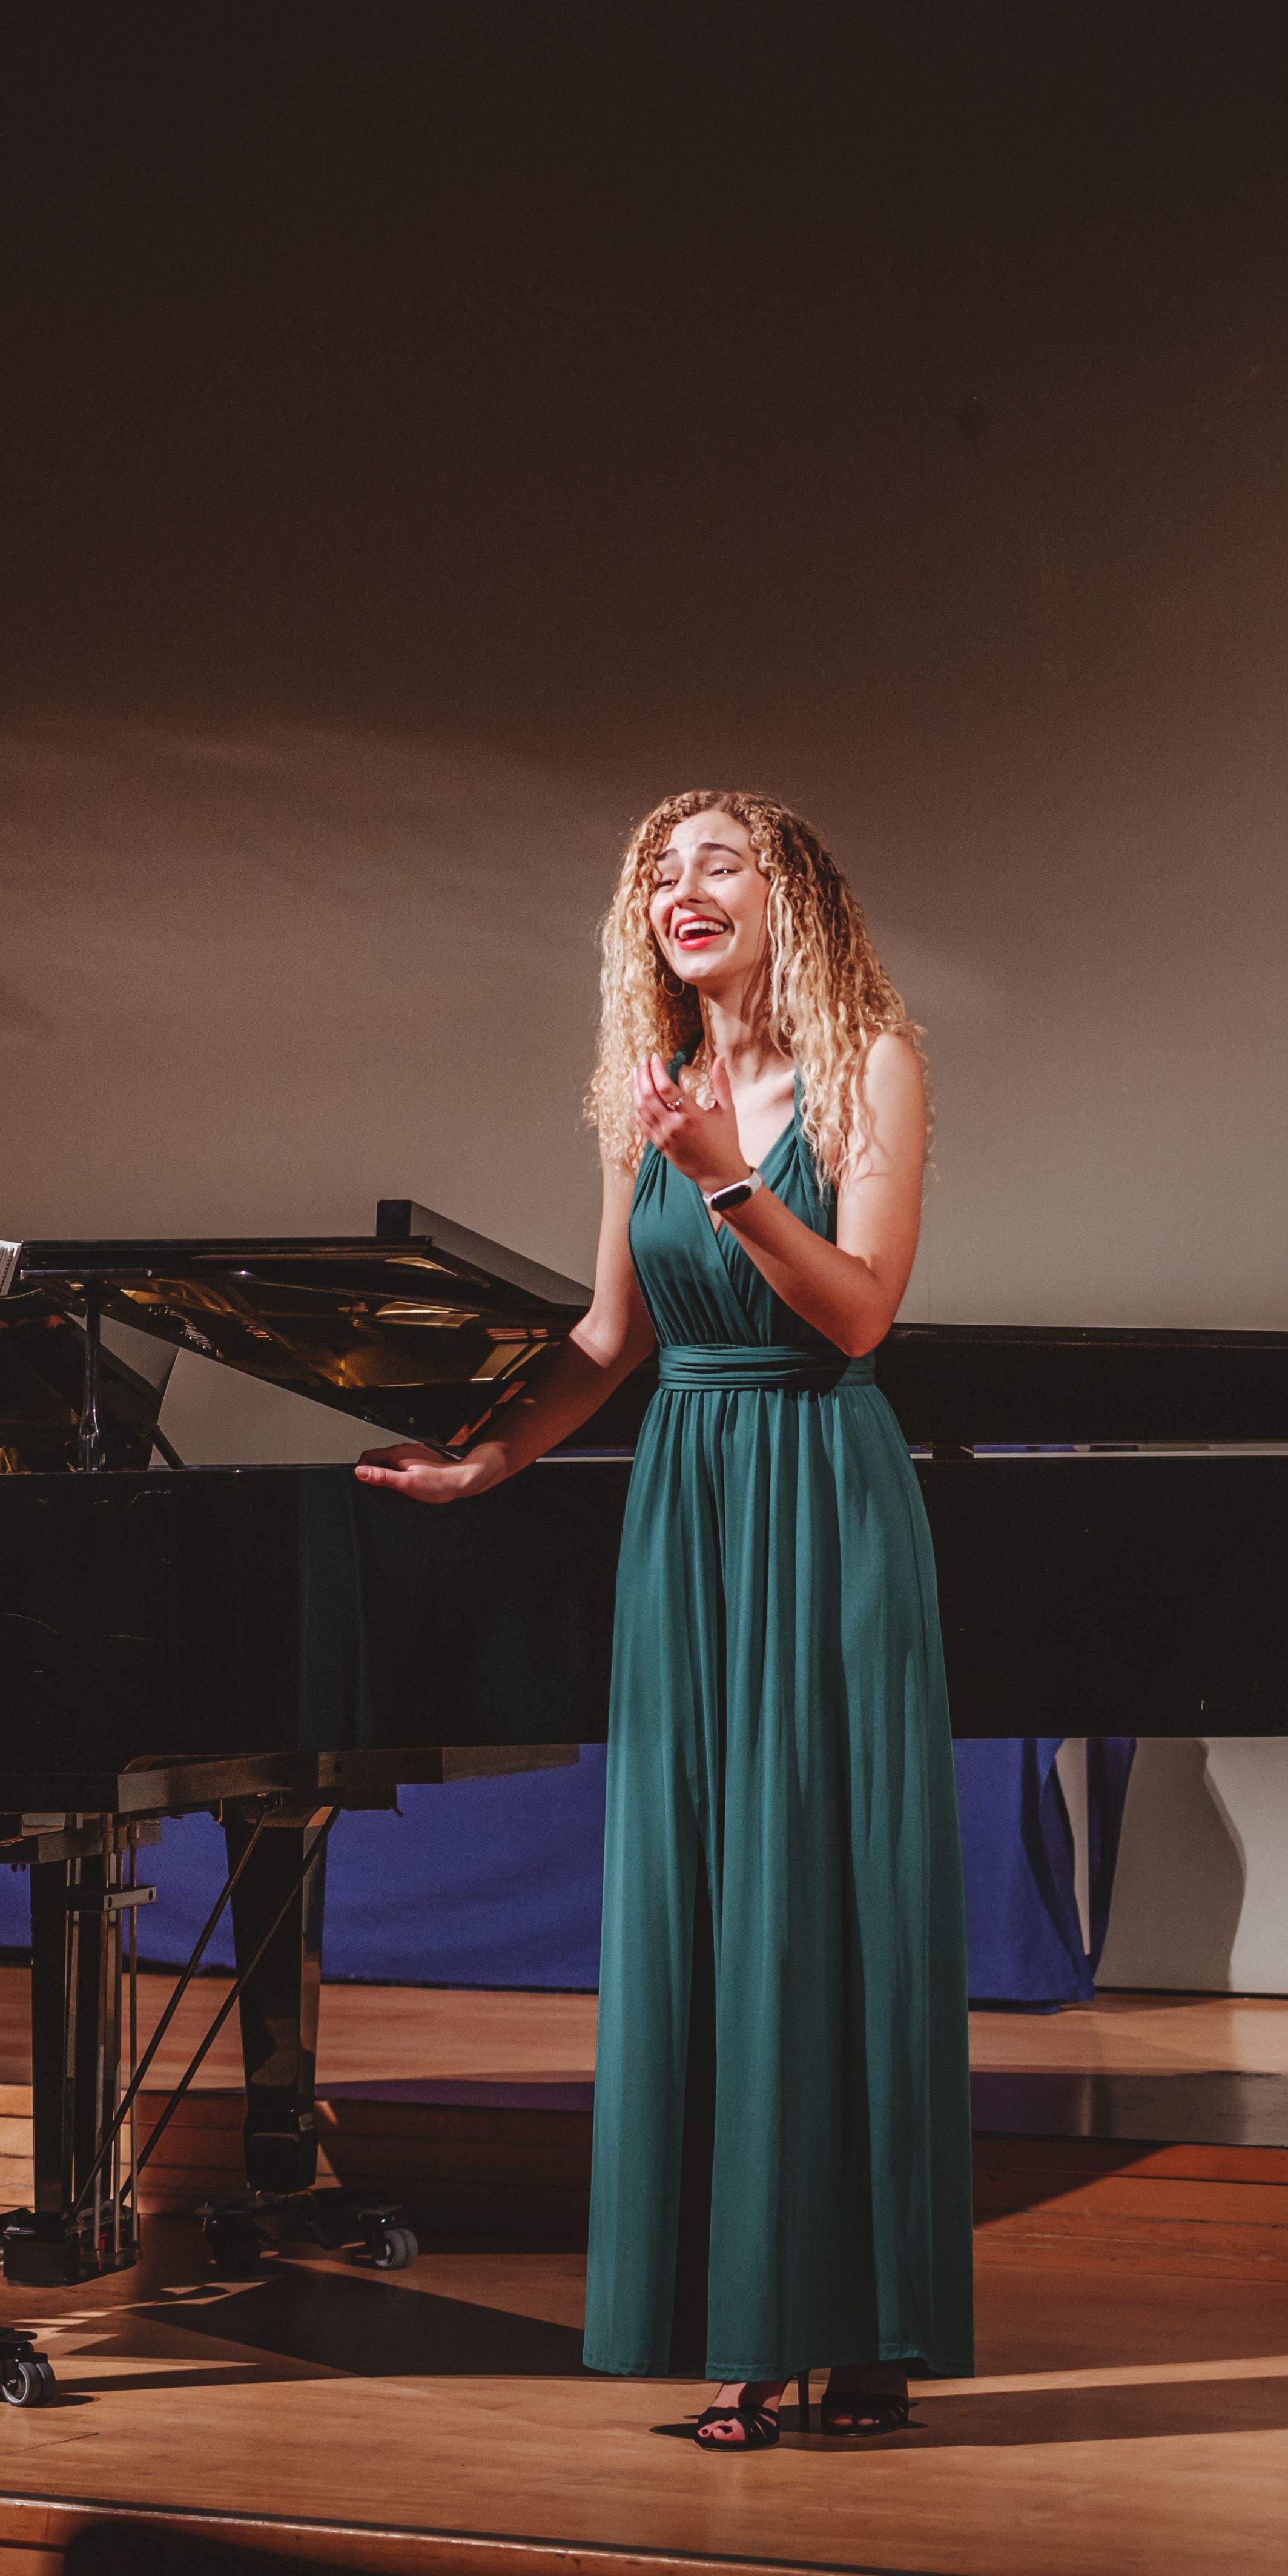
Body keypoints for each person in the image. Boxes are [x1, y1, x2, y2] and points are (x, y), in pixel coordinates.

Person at [356, 792, 972, 2446]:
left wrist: (733, 1188)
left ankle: (859, 2328)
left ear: (795, 898)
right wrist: (489, 1458)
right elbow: (610, 1337)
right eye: (655, 872)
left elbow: (859, 1316)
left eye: (716, 863)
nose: (679, 890)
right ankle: (742, 2323)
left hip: (823, 1495)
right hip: (687, 1501)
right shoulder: (643, 1098)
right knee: (708, 1898)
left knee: (822, 1899)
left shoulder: (874, 1066)